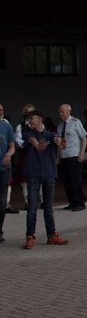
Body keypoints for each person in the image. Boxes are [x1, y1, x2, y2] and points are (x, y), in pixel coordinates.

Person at [22, 110, 67, 249]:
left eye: (32, 118)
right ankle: (30, 236)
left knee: (48, 207)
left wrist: (60, 143)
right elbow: (33, 141)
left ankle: (51, 235)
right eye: (29, 119)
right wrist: (38, 146)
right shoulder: (28, 133)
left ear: (40, 119)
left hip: (49, 174)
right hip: (33, 175)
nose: (30, 121)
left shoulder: (50, 134)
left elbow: (57, 140)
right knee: (32, 207)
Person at [57, 104, 87, 211]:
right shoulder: (60, 126)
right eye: (60, 112)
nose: (61, 114)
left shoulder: (75, 122)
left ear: (69, 112)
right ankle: (72, 202)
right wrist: (58, 157)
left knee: (75, 180)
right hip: (64, 156)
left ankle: (80, 202)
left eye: (63, 112)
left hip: (74, 155)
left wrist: (82, 153)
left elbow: (83, 138)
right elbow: (59, 142)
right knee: (67, 181)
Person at [0, 103, 16, 242]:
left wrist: (8, 154)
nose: (1, 112)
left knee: (2, 202)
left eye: (2, 110)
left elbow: (12, 146)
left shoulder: (6, 126)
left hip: (4, 169)